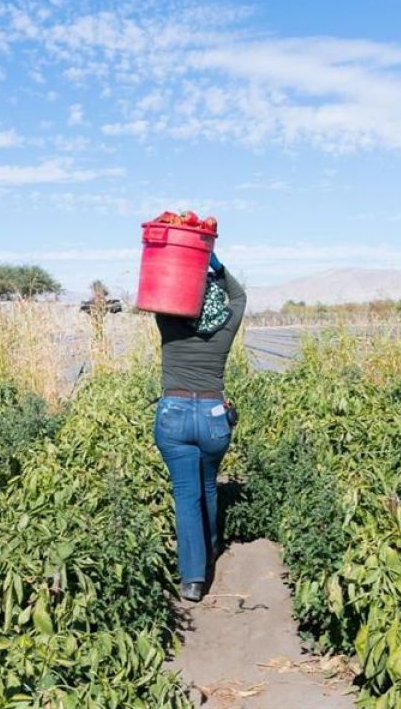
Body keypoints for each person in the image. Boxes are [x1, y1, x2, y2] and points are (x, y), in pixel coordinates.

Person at [153, 251, 246, 602]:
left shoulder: (170, 323)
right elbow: (239, 296)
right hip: (212, 417)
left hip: (174, 415)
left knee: (186, 494)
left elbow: (159, 291)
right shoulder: (225, 325)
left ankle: (193, 580)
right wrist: (215, 264)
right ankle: (210, 549)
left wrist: (178, 261)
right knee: (207, 484)